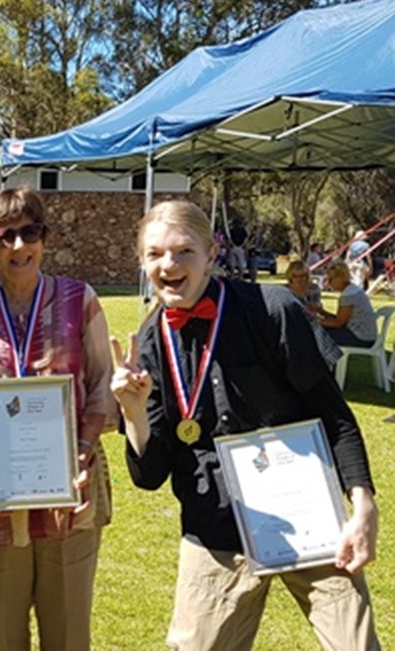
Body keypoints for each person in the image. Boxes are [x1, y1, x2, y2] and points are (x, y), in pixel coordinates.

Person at [110, 201, 379, 650]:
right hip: (214, 530)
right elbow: (150, 474)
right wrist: (134, 413)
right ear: (142, 261)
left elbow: (334, 415)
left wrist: (363, 504)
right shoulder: (152, 341)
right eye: (155, 254)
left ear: (211, 254)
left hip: (309, 519)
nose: (169, 265)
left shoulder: (273, 310)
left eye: (183, 252)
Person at [0, 187, 116, 650]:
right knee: (0, 635)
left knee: (69, 633)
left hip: (71, 491)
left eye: (29, 232)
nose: (19, 247)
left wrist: (81, 453)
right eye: (4, 236)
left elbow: (100, 386)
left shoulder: (82, 300)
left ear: (44, 237)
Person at [319, 260, 378, 349]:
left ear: (342, 277)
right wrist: (321, 312)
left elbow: (339, 322)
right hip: (364, 334)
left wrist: (316, 322)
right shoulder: (352, 290)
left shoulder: (349, 295)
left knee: (317, 336)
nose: (329, 283)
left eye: (331, 279)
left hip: (361, 338)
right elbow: (341, 318)